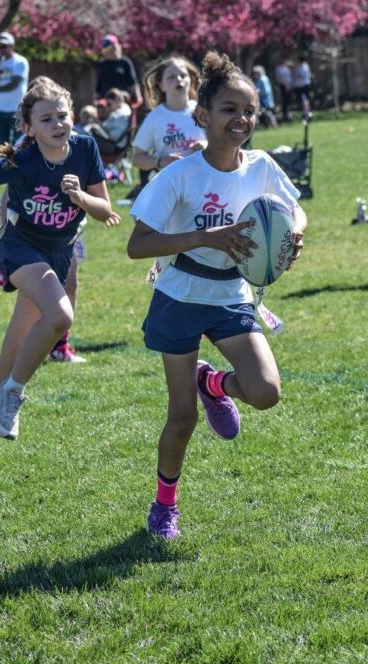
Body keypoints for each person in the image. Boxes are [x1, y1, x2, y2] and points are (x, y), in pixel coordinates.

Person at [126, 52, 308, 539]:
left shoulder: (262, 166)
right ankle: (165, 505)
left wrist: (292, 235)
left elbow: (295, 210)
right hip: (180, 295)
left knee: (266, 392)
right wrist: (205, 236)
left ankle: (215, 385)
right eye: (229, 109)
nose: (242, 120)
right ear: (203, 116)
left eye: (249, 111)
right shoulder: (180, 175)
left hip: (231, 293)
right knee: (181, 417)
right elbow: (137, 245)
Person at [0, 77, 120, 462]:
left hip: (59, 253)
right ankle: (13, 393)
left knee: (13, 349)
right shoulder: (20, 161)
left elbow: (107, 211)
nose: (58, 124)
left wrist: (80, 196)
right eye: (46, 119)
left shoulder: (86, 147)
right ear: (28, 128)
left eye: (63, 115)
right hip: (20, 247)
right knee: (60, 316)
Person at [132, 56, 205, 181]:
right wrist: (160, 161)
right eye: (171, 77)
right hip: (168, 183)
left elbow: (222, 145)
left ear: (191, 81)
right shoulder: (154, 117)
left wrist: (206, 145)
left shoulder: (204, 112)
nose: (178, 79)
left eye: (183, 75)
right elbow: (137, 158)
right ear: (161, 85)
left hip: (201, 180)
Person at [0, 32, 29, 146]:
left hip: (17, 109)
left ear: (12, 46)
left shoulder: (20, 62)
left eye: (4, 46)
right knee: (1, 145)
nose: (1, 49)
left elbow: (15, 83)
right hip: (0, 109)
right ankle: (5, 164)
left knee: (20, 143)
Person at [95, 34, 142, 107]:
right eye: (107, 49)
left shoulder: (125, 62)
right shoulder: (102, 64)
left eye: (111, 48)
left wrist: (138, 97)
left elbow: (132, 82)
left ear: (116, 47)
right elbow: (99, 84)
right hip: (106, 102)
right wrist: (95, 99)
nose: (109, 51)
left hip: (122, 99)